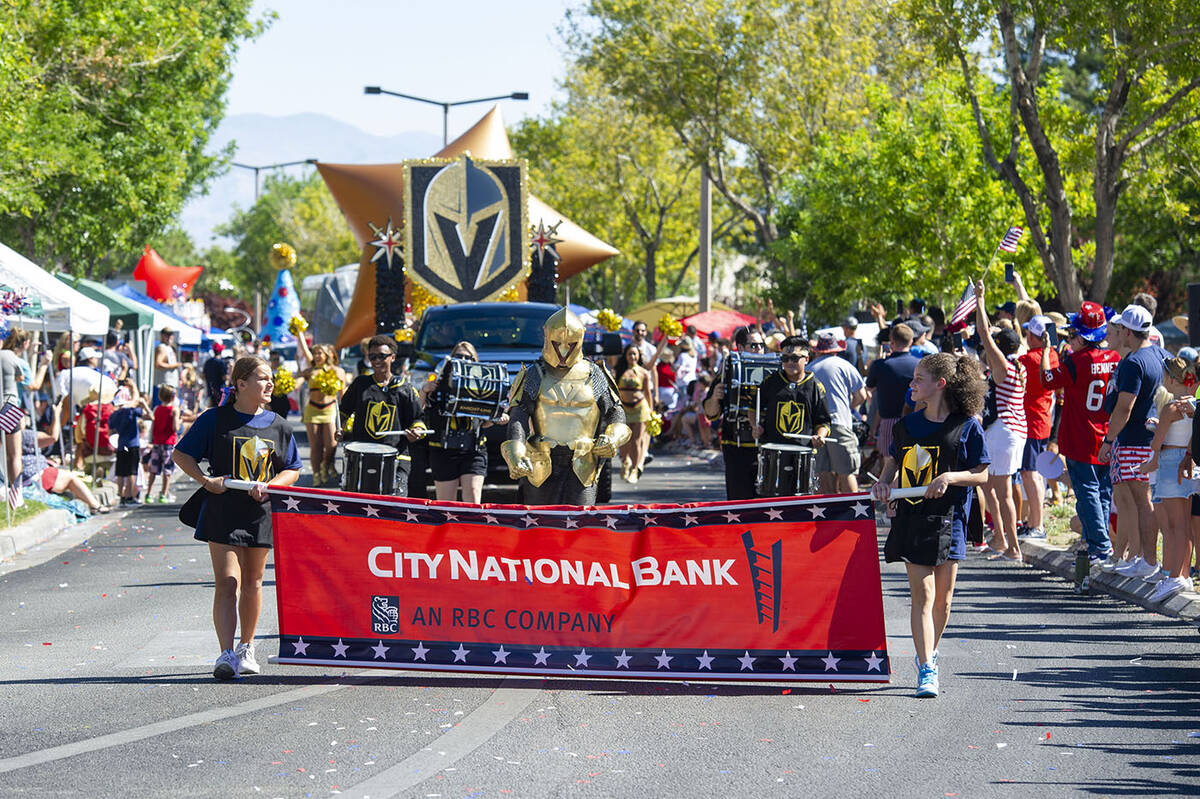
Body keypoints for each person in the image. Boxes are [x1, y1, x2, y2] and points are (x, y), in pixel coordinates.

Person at [172, 356, 302, 680]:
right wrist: (206, 480)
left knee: (254, 582)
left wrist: (272, 486)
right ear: (241, 384)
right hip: (222, 508)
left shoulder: (279, 424)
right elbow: (181, 454)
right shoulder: (215, 419)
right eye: (262, 378)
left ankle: (247, 647)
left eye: (271, 378)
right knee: (228, 581)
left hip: (260, 511)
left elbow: (292, 469)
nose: (270, 384)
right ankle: (225, 653)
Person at [872, 352, 989, 698]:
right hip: (912, 516)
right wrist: (882, 483)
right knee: (922, 595)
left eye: (918, 379)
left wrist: (950, 477)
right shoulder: (907, 424)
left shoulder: (967, 425)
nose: (912, 384)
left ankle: (930, 652)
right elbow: (892, 463)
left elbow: (982, 473)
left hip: (950, 517)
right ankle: (926, 668)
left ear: (940, 385)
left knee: (944, 600)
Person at [503, 307, 629, 506]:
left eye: (570, 345)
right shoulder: (535, 374)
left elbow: (616, 411)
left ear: (578, 342)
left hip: (583, 461)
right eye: (557, 343)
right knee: (540, 525)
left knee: (579, 525)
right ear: (547, 338)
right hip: (541, 460)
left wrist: (613, 437)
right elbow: (518, 414)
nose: (562, 350)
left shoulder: (594, 373)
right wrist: (516, 452)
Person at [1040, 302, 1121, 566]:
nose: (1070, 339)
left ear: (1083, 336)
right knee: (1103, 493)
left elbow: (1047, 380)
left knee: (1087, 493)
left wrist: (1046, 350)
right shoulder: (1115, 358)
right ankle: (1092, 540)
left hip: (1079, 438)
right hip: (1106, 435)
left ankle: (1100, 544)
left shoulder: (1075, 361)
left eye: (1073, 334)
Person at [1101, 304, 1164, 579]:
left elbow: (1124, 407)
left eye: (1121, 329)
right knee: (1142, 502)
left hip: (1133, 440)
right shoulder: (1161, 354)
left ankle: (1148, 560)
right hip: (1149, 438)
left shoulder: (1134, 362)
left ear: (1127, 331)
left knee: (1142, 502)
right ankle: (1142, 557)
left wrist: (1108, 439)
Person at [974, 281, 1027, 560]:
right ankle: (1001, 540)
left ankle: (1013, 547)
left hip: (1003, 430)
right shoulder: (1021, 363)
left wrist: (980, 301)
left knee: (1003, 491)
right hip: (1012, 430)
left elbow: (984, 333)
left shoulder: (1004, 367)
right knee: (991, 485)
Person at [419, 341, 506, 503]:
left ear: (475, 361)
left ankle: (471, 528)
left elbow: (484, 422)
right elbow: (419, 411)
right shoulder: (439, 382)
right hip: (443, 449)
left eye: (469, 357)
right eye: (459, 356)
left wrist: (496, 419)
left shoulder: (483, 386)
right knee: (446, 505)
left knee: (473, 496)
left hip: (473, 449)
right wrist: (424, 390)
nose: (464, 360)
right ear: (451, 359)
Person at [1139, 357, 1196, 600]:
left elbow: (1156, 443)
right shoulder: (1193, 405)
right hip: (1188, 460)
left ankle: (1174, 576)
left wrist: (1156, 426)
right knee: (1184, 524)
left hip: (1171, 462)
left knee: (1175, 525)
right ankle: (1182, 574)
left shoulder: (1171, 407)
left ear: (1171, 379)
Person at [339, 335, 425, 495]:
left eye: (381, 356)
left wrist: (416, 432)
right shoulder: (360, 384)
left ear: (392, 357)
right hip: (362, 457)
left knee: (394, 509)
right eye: (372, 356)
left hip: (397, 457)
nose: (376, 360)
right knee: (362, 508)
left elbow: (418, 419)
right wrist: (340, 429)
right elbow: (342, 412)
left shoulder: (405, 389)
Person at [703, 327, 770, 500]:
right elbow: (710, 414)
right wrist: (716, 398)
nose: (759, 350)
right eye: (753, 345)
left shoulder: (772, 372)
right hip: (736, 445)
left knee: (766, 502)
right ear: (740, 347)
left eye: (761, 345)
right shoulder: (727, 372)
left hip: (765, 447)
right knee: (739, 500)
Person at [1016, 315, 1060, 540]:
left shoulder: (1029, 359)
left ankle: (1038, 525)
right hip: (1042, 420)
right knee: (1034, 475)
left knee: (1030, 474)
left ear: (1033, 336)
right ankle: (1033, 522)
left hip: (1032, 422)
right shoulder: (1053, 355)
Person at [809, 332, 867, 493]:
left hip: (817, 427)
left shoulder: (809, 368)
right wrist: (847, 407)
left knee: (822, 473)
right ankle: (853, 515)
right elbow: (862, 395)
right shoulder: (845, 365)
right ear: (836, 349)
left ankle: (828, 514)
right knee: (846, 472)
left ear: (818, 350)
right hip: (840, 423)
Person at [751, 336, 831, 450]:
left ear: (807, 359)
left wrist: (820, 436)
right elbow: (753, 408)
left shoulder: (816, 386)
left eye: (794, 358)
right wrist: (755, 426)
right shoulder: (771, 381)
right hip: (772, 449)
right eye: (785, 358)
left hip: (802, 452)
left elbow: (824, 422)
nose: (789, 362)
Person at [867, 323, 921, 467]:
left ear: (891, 342)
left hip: (888, 422)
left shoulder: (879, 365)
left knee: (889, 464)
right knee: (912, 464)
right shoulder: (919, 365)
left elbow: (869, 388)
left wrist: (880, 360)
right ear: (910, 342)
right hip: (915, 419)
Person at [297, 338, 346, 486]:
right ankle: (316, 474)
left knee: (331, 443)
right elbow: (296, 382)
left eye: (320, 353)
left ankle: (326, 464)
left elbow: (343, 394)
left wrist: (347, 415)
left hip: (329, 409)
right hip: (312, 409)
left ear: (327, 355)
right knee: (315, 445)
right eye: (315, 353)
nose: (317, 356)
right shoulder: (310, 371)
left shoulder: (338, 371)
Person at [614, 342, 655, 483]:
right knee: (624, 441)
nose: (632, 356)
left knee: (636, 440)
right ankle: (625, 462)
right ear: (625, 355)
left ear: (638, 356)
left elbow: (647, 393)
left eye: (634, 354)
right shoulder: (619, 371)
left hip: (640, 409)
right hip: (624, 409)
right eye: (630, 353)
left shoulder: (643, 372)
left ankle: (635, 469)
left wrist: (651, 411)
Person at [1, 328, 31, 507]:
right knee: (14, 455)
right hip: (9, 406)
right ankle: (17, 496)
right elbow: (23, 380)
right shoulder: (15, 359)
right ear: (24, 343)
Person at [108, 383, 150, 506]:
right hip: (132, 444)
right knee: (132, 471)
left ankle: (121, 496)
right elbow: (150, 416)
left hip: (121, 444)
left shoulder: (114, 415)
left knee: (121, 472)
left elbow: (111, 430)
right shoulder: (131, 411)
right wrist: (144, 405)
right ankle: (130, 497)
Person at [144, 384, 181, 503]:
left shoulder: (157, 409)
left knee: (153, 469)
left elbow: (154, 425)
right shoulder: (174, 410)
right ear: (173, 397)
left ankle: (149, 494)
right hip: (168, 443)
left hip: (157, 442)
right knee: (167, 470)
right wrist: (180, 420)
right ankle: (163, 494)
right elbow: (175, 427)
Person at [152, 328, 180, 402]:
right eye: (167, 335)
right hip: (163, 387)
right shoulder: (161, 348)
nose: (169, 337)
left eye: (171, 334)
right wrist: (174, 366)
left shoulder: (169, 347)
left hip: (170, 385)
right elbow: (158, 364)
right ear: (162, 335)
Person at [203, 342, 230, 408]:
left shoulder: (208, 362)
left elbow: (203, 375)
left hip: (210, 390)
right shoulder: (221, 362)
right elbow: (225, 377)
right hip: (220, 392)